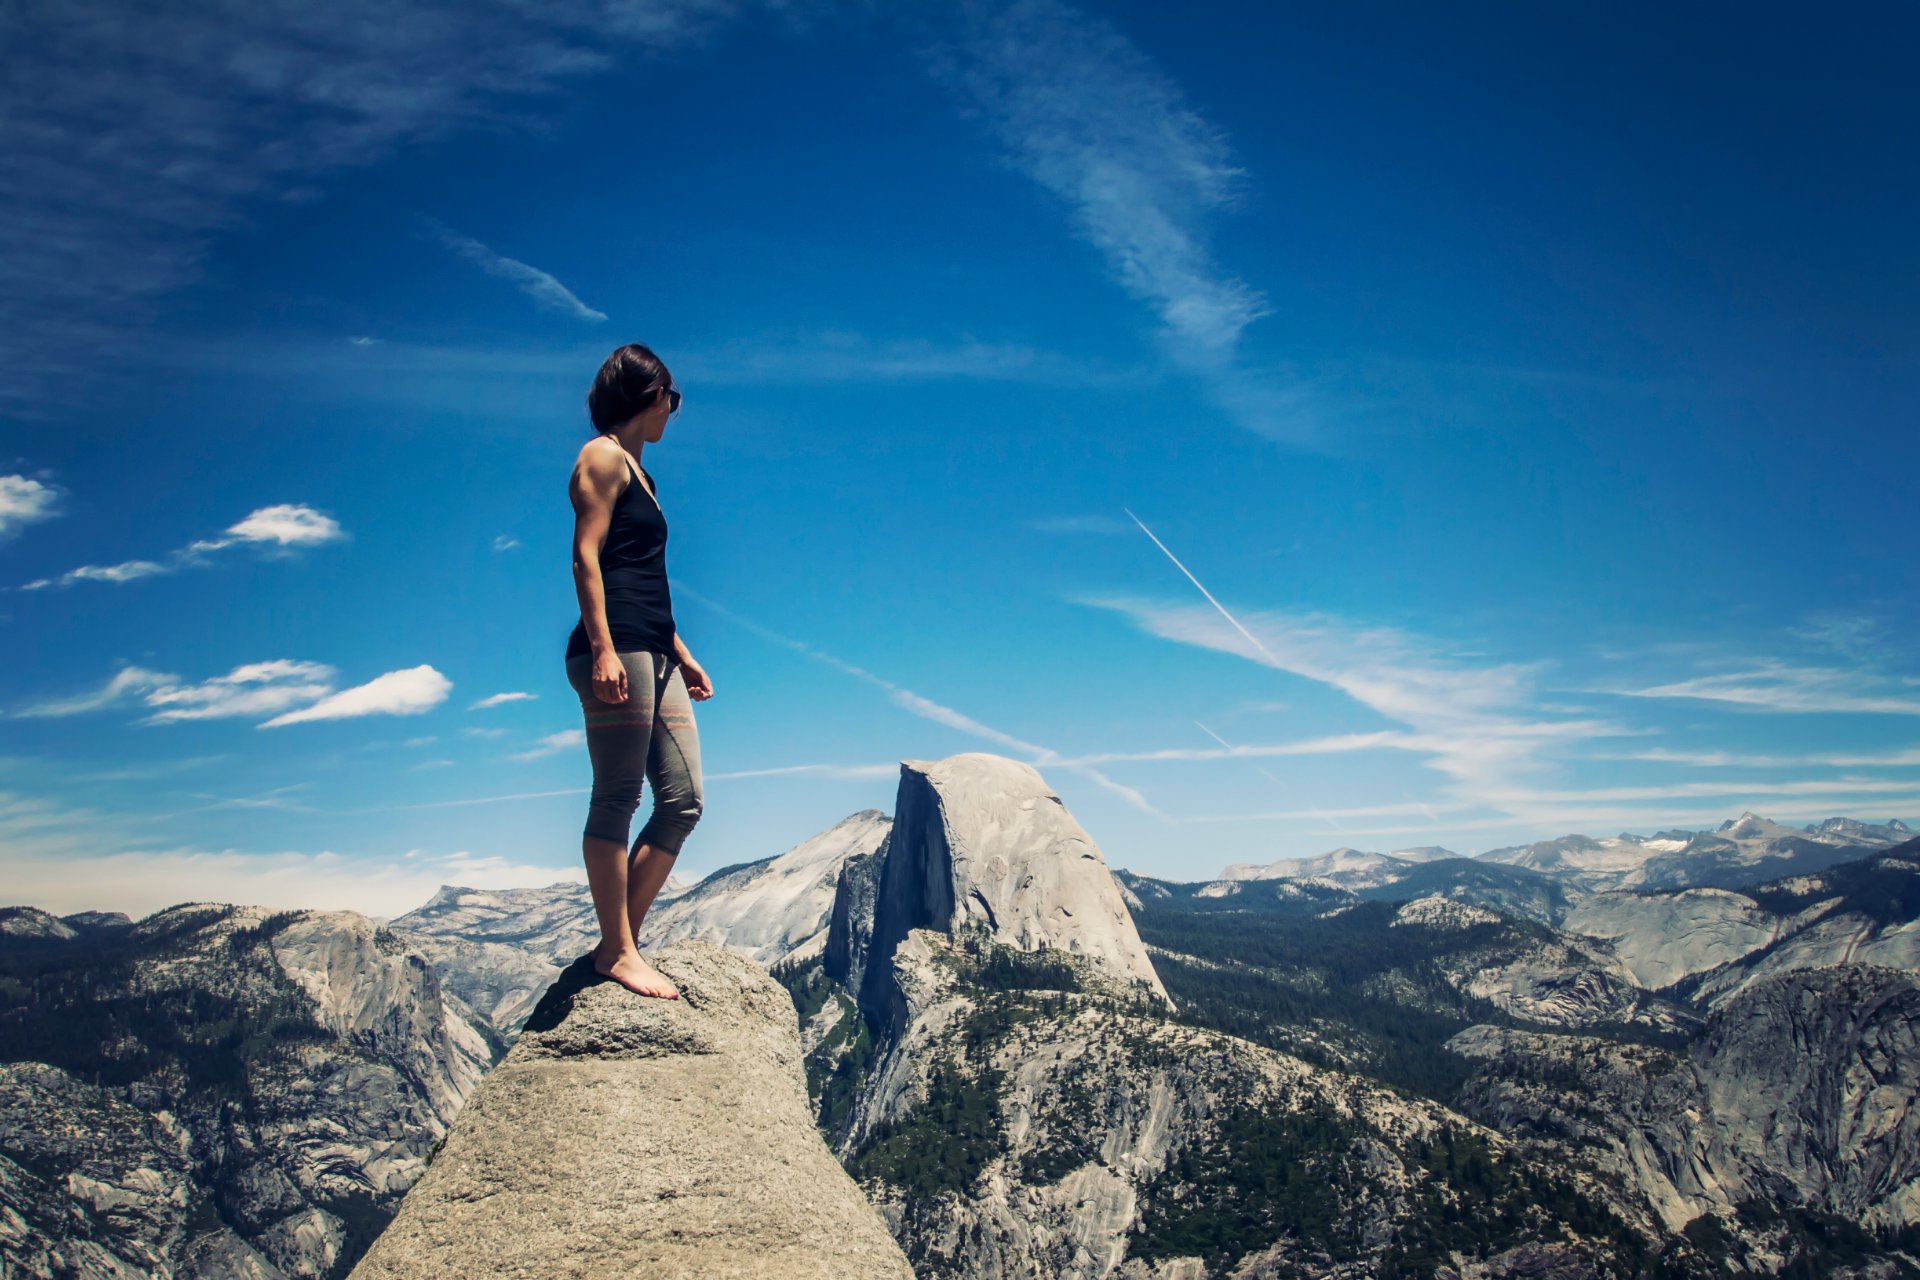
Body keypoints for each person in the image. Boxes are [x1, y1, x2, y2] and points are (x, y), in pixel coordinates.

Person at [565, 343, 712, 998]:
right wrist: (601, 649)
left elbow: (645, 576)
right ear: (644, 397)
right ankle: (620, 952)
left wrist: (682, 653)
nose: (673, 411)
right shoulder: (600, 456)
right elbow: (586, 559)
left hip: (654, 648)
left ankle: (617, 942)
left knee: (683, 801)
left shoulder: (645, 478)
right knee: (619, 797)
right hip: (615, 648)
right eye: (668, 398)